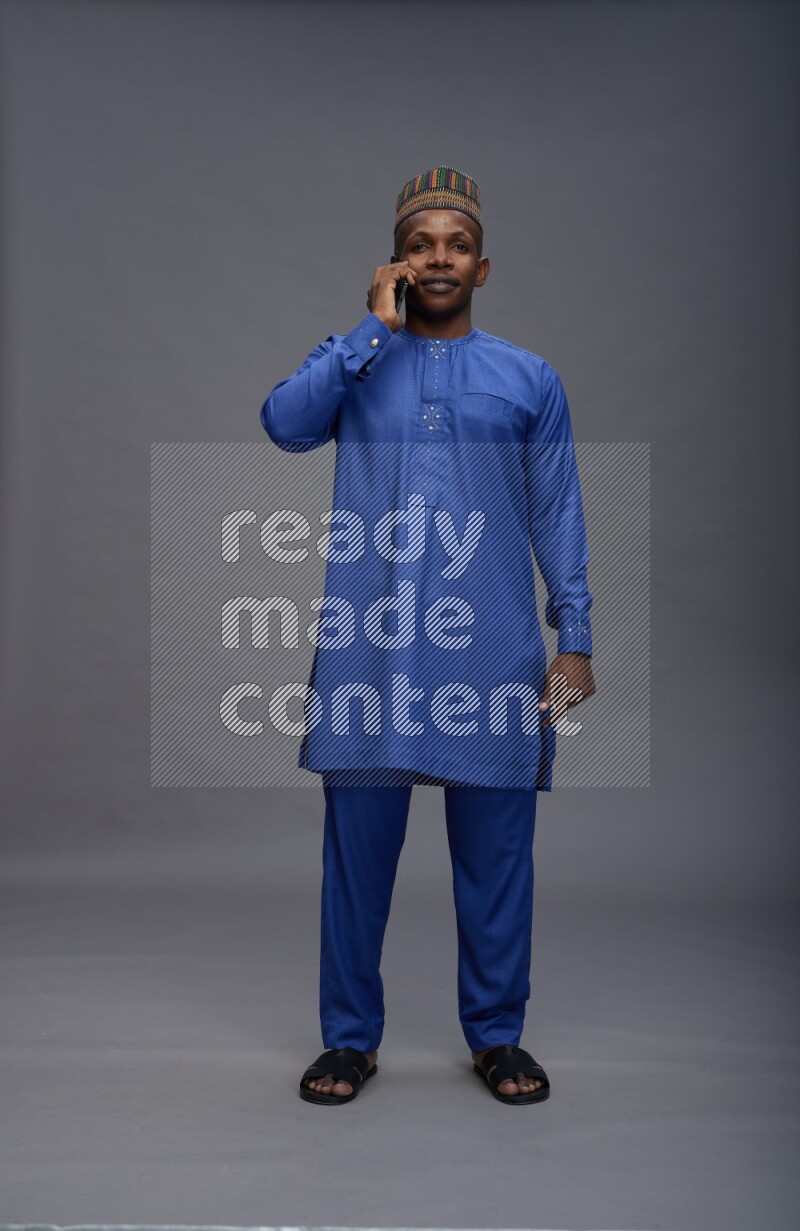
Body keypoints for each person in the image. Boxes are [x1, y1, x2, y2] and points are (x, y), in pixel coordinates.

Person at [260, 166, 596, 1106]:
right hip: (372, 652)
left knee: (497, 859)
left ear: (482, 267)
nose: (438, 257)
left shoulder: (528, 378)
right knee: (355, 862)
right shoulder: (357, 360)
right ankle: (348, 1039)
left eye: (455, 243)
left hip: (492, 654)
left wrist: (575, 635)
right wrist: (372, 330)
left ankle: (497, 1036)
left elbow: (559, 510)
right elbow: (284, 425)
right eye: (420, 244)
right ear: (396, 262)